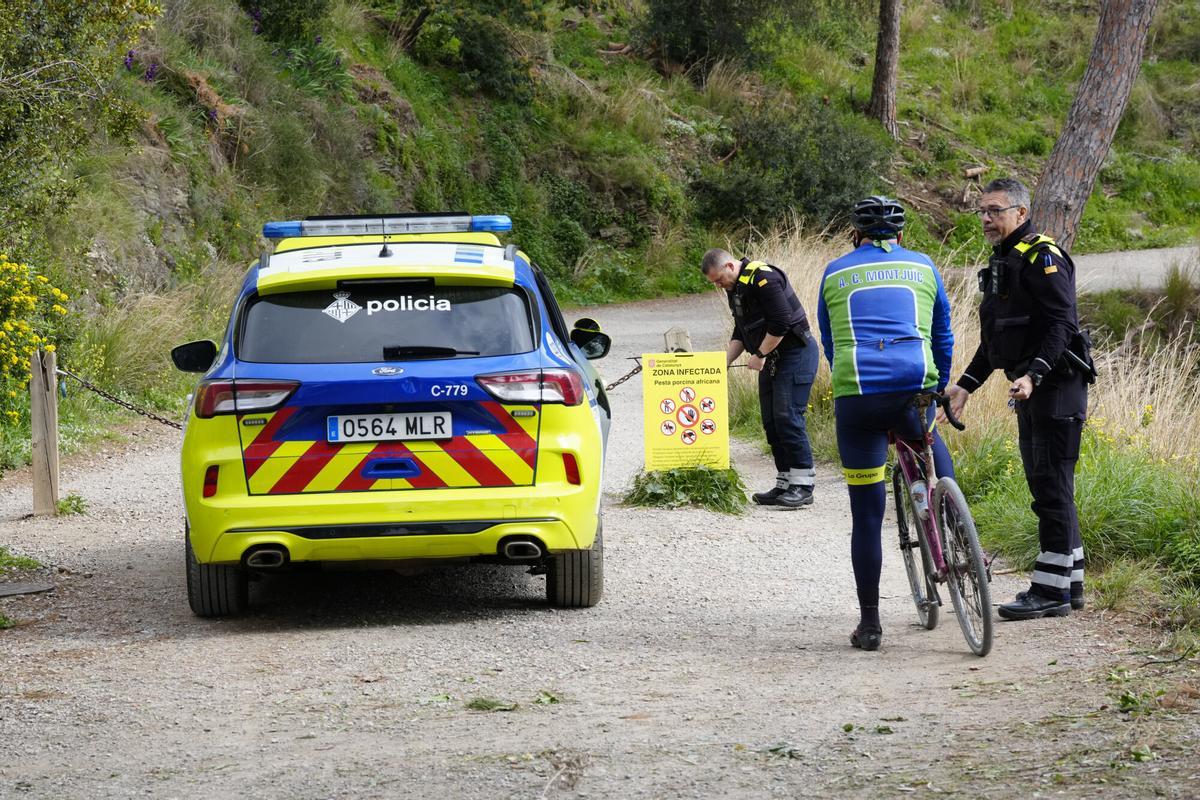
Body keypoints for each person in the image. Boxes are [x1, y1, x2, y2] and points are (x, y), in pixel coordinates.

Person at [945, 177, 1091, 621]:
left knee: (1050, 487)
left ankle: (1050, 592)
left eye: (995, 210)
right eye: (982, 211)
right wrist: (965, 386)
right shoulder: (1004, 260)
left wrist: (1035, 374)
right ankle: (1070, 585)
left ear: (1021, 214)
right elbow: (996, 342)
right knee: (1051, 485)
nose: (987, 219)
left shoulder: (1042, 257)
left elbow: (1061, 325)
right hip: (1032, 387)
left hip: (1056, 387)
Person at [816, 195, 955, 651]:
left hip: (858, 399)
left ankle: (871, 624)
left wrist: (851, 382)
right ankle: (952, 523)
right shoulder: (923, 266)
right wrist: (941, 384)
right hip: (914, 389)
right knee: (927, 439)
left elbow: (831, 341)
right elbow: (942, 334)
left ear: (854, 235)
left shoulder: (835, 271)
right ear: (901, 236)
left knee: (867, 515)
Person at [701, 248, 819, 508]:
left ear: (730, 266)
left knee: (788, 416)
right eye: (715, 284)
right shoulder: (737, 289)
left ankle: (803, 485)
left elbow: (781, 322)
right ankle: (785, 482)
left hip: (795, 353)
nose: (719, 286)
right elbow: (741, 331)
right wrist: (723, 362)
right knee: (771, 420)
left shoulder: (762, 277)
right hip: (773, 358)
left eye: (719, 279)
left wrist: (761, 353)